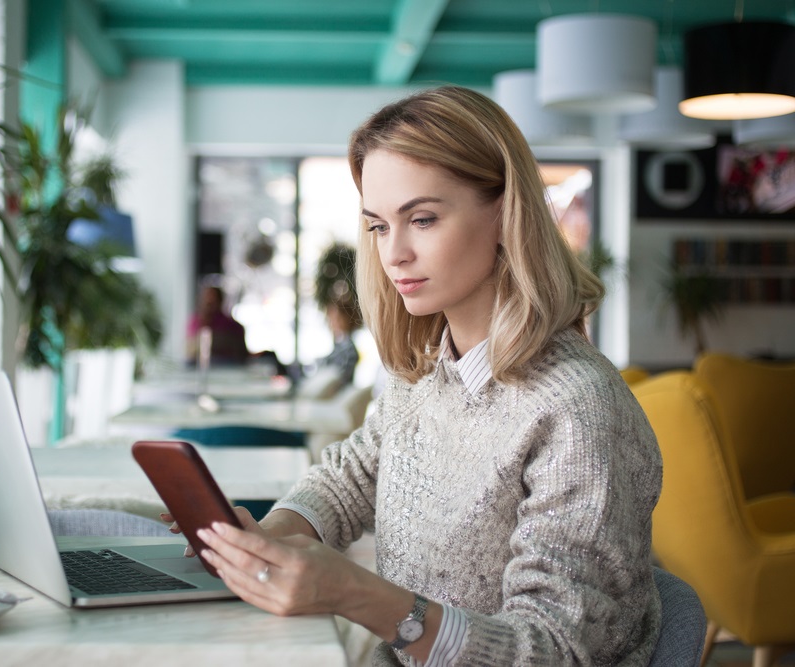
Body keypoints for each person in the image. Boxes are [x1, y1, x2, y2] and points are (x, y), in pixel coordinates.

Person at [170, 86, 663, 665]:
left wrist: (354, 593)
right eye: (378, 226)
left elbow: (554, 650)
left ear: (506, 216)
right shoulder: (428, 372)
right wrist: (274, 534)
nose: (393, 253)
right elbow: (350, 476)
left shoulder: (577, 409)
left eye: (422, 219)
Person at [185, 284, 250, 365]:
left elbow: (241, 355)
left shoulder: (232, 326)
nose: (209, 303)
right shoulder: (195, 322)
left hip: (226, 367)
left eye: (212, 300)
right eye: (206, 300)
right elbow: (190, 350)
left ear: (220, 302)